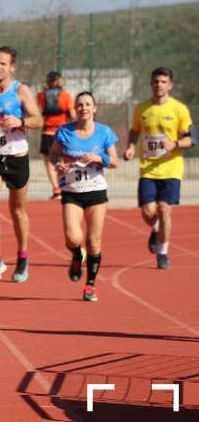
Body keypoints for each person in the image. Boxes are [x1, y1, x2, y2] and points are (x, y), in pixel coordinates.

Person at [0, 46, 43, 283]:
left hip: (16, 156)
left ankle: (22, 257)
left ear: (12, 67)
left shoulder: (20, 90)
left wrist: (20, 120)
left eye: (3, 63)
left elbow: (38, 119)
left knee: (17, 211)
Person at [49, 91, 118, 301]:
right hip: (72, 191)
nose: (84, 108)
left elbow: (114, 161)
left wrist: (100, 157)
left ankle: (90, 286)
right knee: (73, 238)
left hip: (96, 191)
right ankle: (77, 255)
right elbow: (53, 154)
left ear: (94, 108)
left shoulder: (104, 132)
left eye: (88, 104)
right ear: (75, 109)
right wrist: (58, 164)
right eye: (80, 105)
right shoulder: (65, 132)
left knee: (94, 241)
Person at [124, 67, 193, 269]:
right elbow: (135, 131)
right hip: (148, 168)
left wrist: (176, 144)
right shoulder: (142, 108)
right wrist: (130, 147)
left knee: (164, 210)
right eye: (156, 81)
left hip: (171, 169)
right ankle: (156, 228)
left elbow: (192, 138)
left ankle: (163, 253)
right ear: (150, 84)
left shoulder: (179, 109)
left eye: (163, 82)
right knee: (148, 211)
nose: (159, 85)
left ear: (170, 85)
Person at [38, 71, 75, 200]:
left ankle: (56, 189)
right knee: (62, 160)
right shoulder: (65, 96)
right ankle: (64, 186)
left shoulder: (42, 95)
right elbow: (73, 114)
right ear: (58, 81)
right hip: (62, 132)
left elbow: (39, 111)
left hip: (47, 131)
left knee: (49, 162)